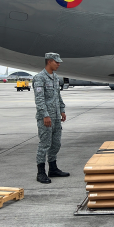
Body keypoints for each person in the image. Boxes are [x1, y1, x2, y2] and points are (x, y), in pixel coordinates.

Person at [32, 53, 70, 184]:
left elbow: (57, 96)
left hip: (55, 117)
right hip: (45, 118)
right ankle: (40, 172)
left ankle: (53, 168)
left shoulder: (55, 78)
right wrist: (45, 115)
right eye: (56, 62)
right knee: (45, 144)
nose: (58, 64)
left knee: (56, 144)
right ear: (49, 61)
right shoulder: (39, 78)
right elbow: (39, 99)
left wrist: (62, 110)